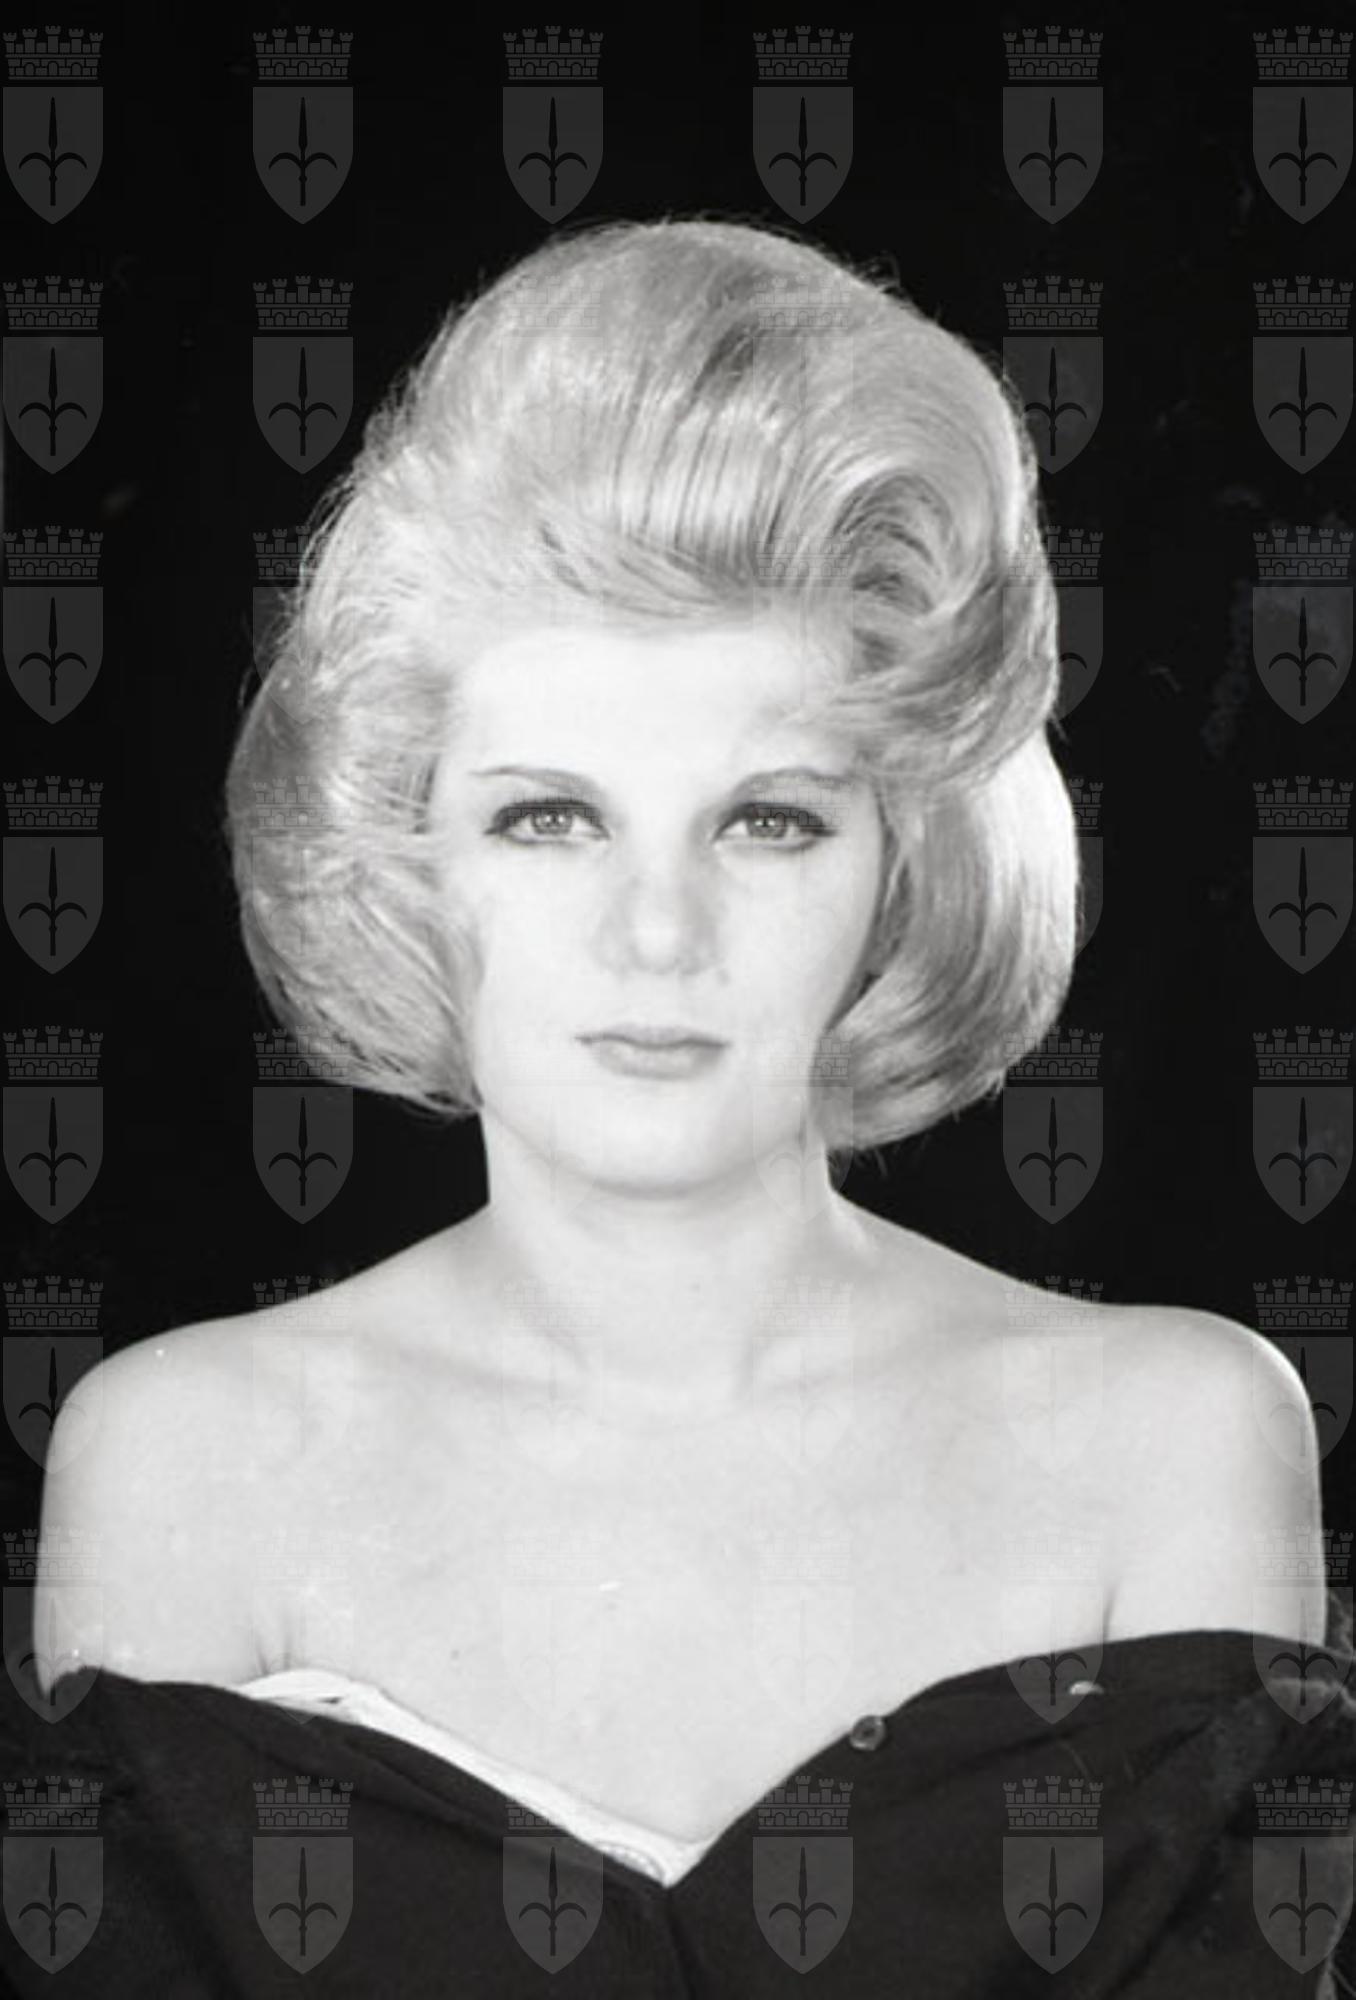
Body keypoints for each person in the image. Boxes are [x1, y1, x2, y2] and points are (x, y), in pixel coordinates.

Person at [12, 215, 1356, 1994]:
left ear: (906, 867)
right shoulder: (185, 1461)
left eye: (769, 819)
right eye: (548, 818)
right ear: (401, 855)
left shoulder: (1171, 1442)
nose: (658, 933)